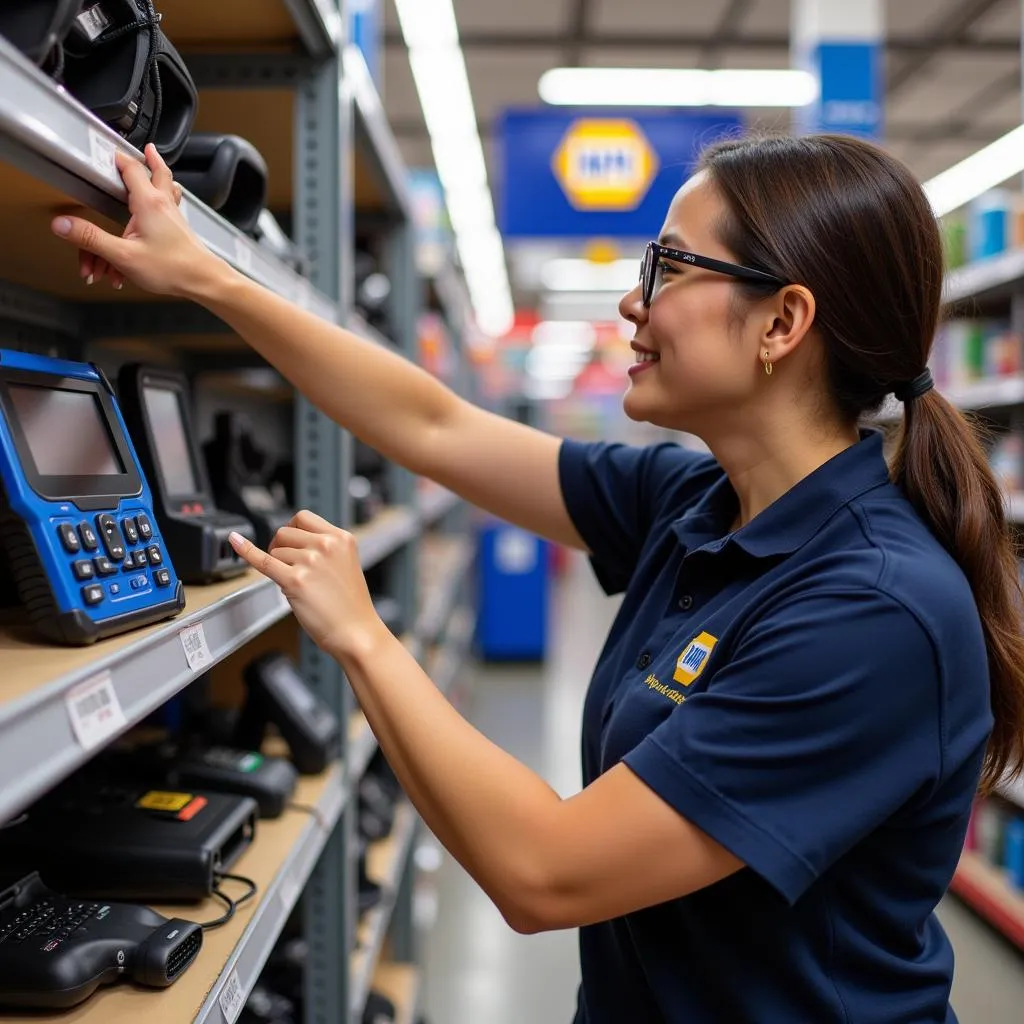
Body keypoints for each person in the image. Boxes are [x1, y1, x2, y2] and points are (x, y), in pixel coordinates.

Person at [52, 134, 1024, 1024]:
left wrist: (363, 637)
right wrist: (206, 276)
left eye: (669, 265)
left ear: (782, 321)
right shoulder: (697, 502)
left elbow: (544, 872)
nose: (632, 301)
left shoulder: (873, 612)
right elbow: (436, 427)